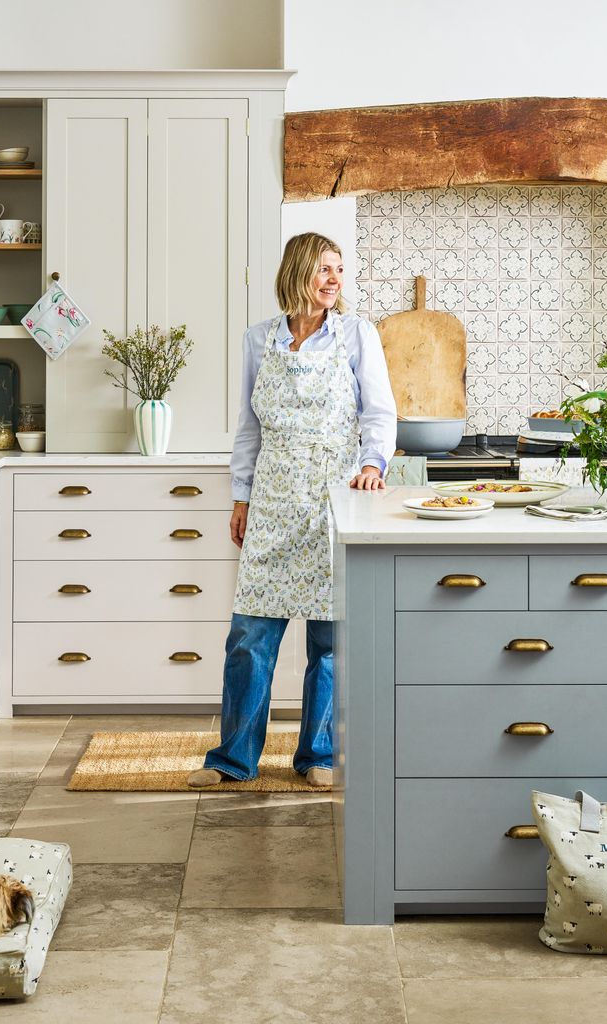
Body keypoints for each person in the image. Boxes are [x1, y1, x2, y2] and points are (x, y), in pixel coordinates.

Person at [187, 232, 397, 789]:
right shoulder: (259, 340)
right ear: (299, 271)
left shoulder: (356, 335)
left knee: (330, 643)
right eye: (324, 269)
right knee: (250, 638)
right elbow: (249, 428)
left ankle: (320, 755)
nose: (335, 280)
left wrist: (373, 463)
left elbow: (379, 413)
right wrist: (241, 496)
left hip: (335, 498)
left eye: (339, 270)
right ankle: (233, 759)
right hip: (275, 499)